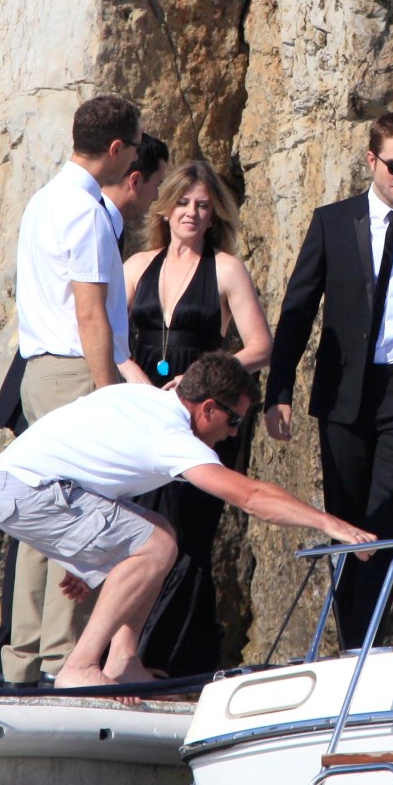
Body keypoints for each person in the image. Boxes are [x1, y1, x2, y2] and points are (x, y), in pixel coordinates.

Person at [0, 352, 375, 702]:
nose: (234, 432)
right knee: (157, 545)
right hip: (30, 490)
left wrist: (94, 558)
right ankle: (80, 667)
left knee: (158, 530)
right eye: (235, 420)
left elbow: (94, 465)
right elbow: (251, 496)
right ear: (208, 408)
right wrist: (329, 523)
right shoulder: (171, 436)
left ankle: (123, 660)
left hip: (21, 484)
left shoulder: (144, 399)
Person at [263, 111, 393, 649]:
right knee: (347, 522)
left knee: (388, 514)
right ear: (372, 160)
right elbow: (298, 308)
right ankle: (354, 643)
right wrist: (278, 390)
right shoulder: (333, 222)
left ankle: (363, 643)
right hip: (345, 393)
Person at [0, 132, 169, 687]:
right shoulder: (90, 214)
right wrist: (111, 396)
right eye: (155, 182)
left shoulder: (45, 199)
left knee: (39, 520)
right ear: (129, 169)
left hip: (40, 369)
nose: (155, 196)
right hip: (75, 369)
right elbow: (91, 316)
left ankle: (23, 661)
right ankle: (62, 660)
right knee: (77, 513)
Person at [121, 161, 273, 676]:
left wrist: (200, 378)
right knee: (142, 527)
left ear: (214, 215)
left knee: (189, 534)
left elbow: (260, 346)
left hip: (202, 414)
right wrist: (138, 382)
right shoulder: (137, 266)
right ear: (165, 208)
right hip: (145, 409)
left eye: (203, 205)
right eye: (184, 202)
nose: (192, 212)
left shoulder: (226, 268)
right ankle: (130, 654)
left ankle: (175, 661)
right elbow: (111, 340)